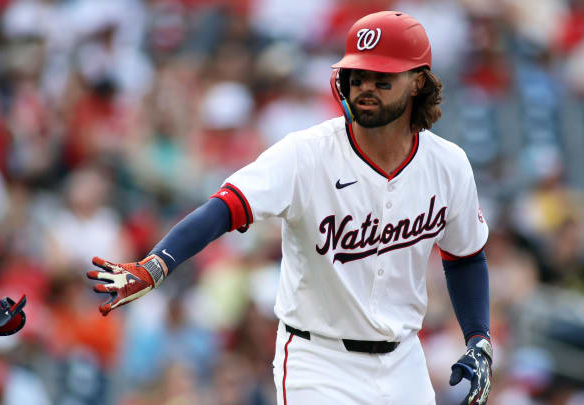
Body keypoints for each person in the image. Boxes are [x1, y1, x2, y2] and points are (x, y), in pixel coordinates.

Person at [86, 11, 492, 405]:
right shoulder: (307, 154)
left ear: (418, 83)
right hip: (319, 361)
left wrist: (479, 339)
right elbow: (224, 208)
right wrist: (158, 264)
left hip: (404, 358)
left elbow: (465, 256)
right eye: (357, 75)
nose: (365, 86)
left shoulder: (448, 164)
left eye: (381, 78)